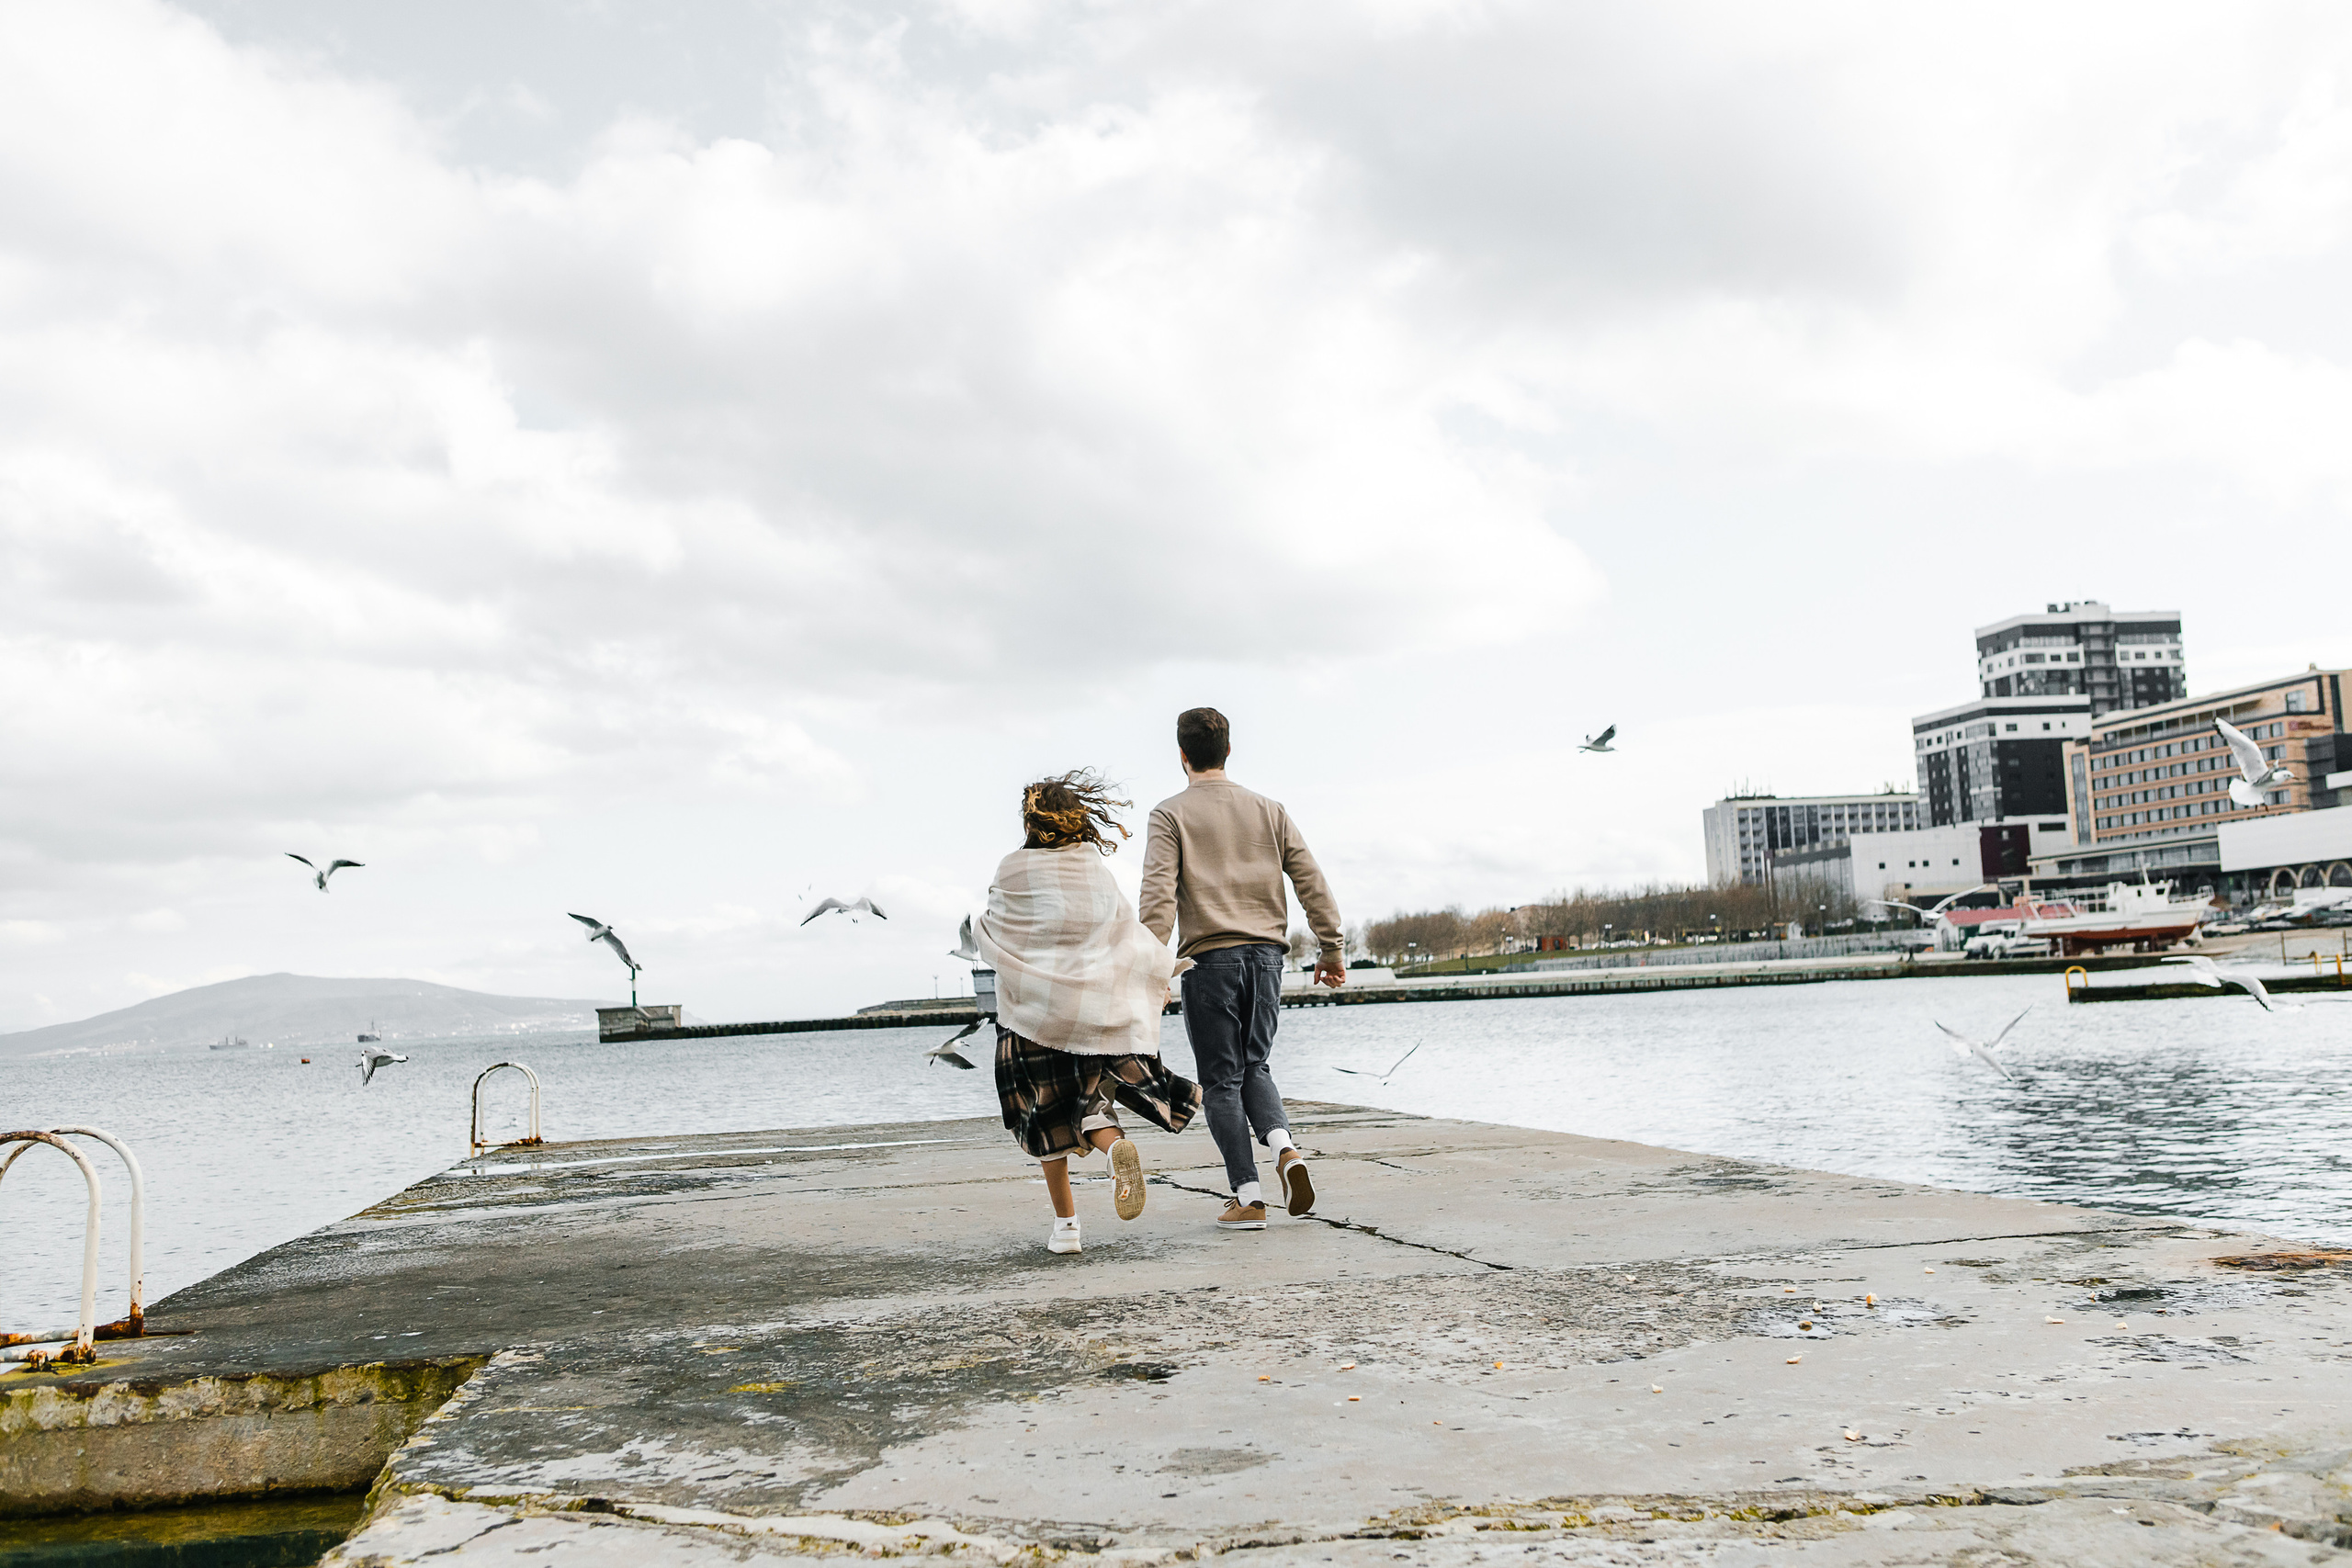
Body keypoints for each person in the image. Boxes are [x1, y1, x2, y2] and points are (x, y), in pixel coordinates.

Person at [975, 771, 1202, 1256]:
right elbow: (1128, 935)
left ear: (1032, 823)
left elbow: (993, 929)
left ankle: (1068, 1229)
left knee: (1045, 1118)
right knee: (1090, 1107)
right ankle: (1114, 1149)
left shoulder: (1013, 870)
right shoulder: (1094, 871)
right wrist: (1156, 980)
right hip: (1089, 1018)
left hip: (1032, 1017)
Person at [1139, 707, 1345, 1230]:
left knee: (1222, 1082)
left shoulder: (1170, 814)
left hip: (1210, 962)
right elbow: (1310, 879)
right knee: (1257, 1066)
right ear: (1228, 752)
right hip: (1268, 958)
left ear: (1182, 755)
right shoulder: (1269, 810)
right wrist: (1331, 949)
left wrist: (1149, 968)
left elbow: (1159, 898)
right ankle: (1286, 1148)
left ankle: (1249, 1198)